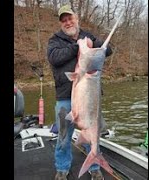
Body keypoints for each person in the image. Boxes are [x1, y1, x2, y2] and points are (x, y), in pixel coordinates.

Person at [47, 4, 112, 180]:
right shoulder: (55, 40)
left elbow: (108, 50)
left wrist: (94, 45)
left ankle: (95, 165)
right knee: (63, 137)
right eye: (64, 20)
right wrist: (78, 47)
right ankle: (62, 168)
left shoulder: (87, 35)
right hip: (64, 99)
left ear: (76, 18)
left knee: (94, 133)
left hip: (90, 98)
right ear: (61, 23)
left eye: (70, 18)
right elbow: (54, 58)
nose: (68, 22)